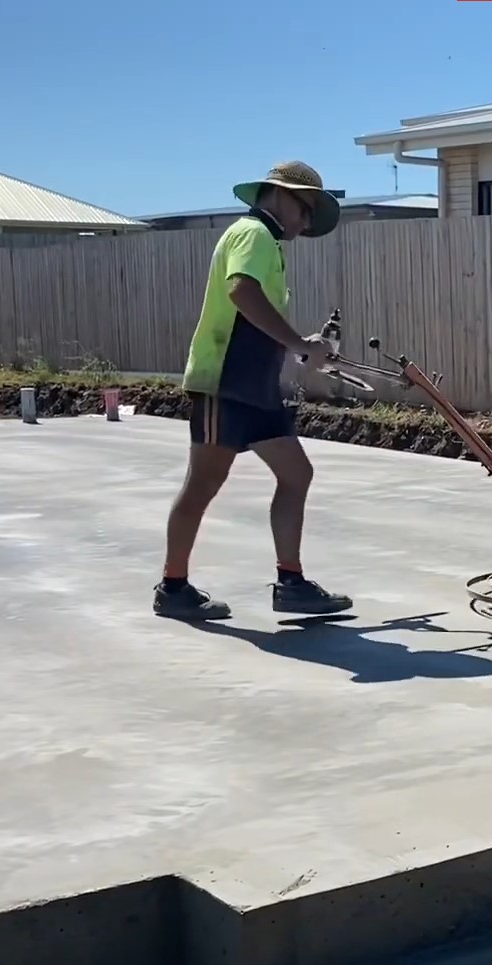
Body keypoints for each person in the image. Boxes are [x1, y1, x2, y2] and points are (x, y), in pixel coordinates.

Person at [155, 160, 353, 620]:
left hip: (256, 385)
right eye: (306, 211)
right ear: (282, 196)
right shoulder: (253, 234)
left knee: (296, 473)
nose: (306, 224)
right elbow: (241, 291)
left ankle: (291, 582)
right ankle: (173, 586)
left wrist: (300, 349)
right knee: (203, 484)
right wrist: (300, 343)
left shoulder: (268, 242)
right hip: (224, 381)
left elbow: (259, 313)